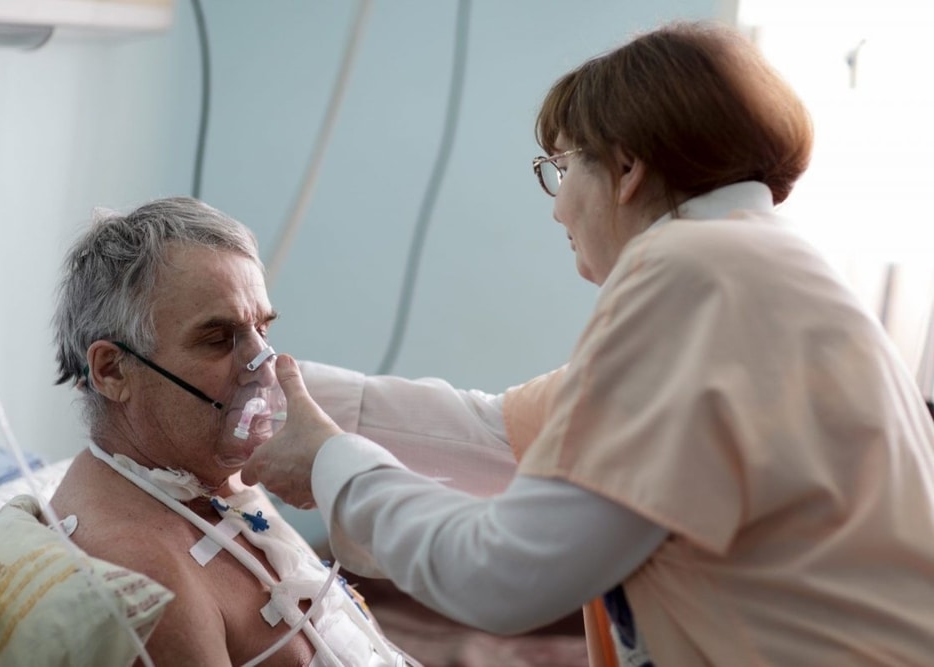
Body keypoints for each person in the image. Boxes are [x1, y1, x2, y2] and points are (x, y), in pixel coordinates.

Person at [241, 20, 934, 667]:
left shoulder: (688, 274)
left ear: (627, 167)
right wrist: (253, 386)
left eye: (562, 166)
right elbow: (494, 431)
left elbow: (506, 575)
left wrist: (332, 465)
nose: (556, 204)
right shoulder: (764, 271)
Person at [48, 196, 415, 666]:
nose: (263, 365)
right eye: (218, 339)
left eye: (262, 330)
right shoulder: (148, 582)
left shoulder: (208, 478)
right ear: (113, 371)